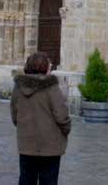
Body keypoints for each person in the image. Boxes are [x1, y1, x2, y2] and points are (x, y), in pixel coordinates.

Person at [10, 51, 71, 185]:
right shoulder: (51, 87)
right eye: (49, 65)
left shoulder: (19, 87)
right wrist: (66, 129)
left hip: (27, 144)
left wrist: (24, 127)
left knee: (26, 179)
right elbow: (61, 116)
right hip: (50, 146)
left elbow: (14, 115)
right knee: (49, 180)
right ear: (45, 67)